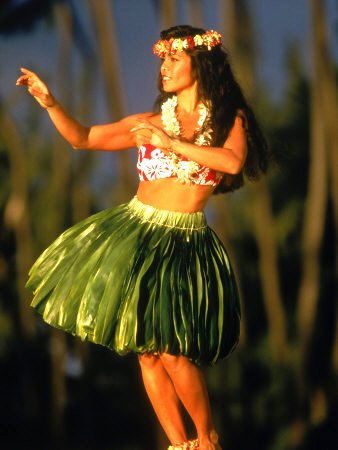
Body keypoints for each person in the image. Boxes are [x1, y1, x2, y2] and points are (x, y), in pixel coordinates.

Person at [16, 25, 269, 450]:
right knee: (147, 351)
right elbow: (84, 138)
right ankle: (177, 443)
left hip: (185, 242)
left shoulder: (230, 119)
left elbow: (230, 161)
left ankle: (206, 439)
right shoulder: (147, 123)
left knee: (172, 349)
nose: (164, 68)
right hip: (136, 234)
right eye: (162, 60)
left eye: (174, 59)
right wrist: (51, 103)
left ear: (200, 64)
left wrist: (171, 144)